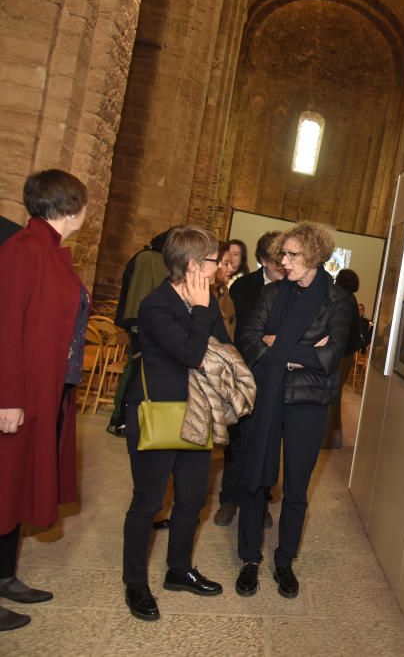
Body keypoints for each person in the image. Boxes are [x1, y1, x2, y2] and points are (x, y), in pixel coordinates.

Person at [235, 223, 353, 599]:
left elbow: (331, 356)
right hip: (266, 398)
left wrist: (280, 345)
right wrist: (301, 351)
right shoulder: (271, 294)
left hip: (308, 402)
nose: (283, 261)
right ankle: (249, 559)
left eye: (292, 255)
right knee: (255, 480)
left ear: (315, 256)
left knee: (297, 488)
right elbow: (250, 341)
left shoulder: (337, 301)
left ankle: (284, 561)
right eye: (281, 254)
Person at [121, 226, 230, 621]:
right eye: (214, 260)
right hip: (158, 414)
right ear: (193, 265)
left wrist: (205, 316)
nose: (220, 267)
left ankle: (178, 569)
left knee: (192, 498)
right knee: (148, 503)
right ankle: (135, 583)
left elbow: (221, 349)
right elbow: (190, 354)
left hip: (197, 413)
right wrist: (201, 312)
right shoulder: (156, 305)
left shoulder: (209, 303)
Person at [0, 170, 90, 631]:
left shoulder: (52, 252)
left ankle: (5, 574)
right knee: (2, 488)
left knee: (14, 488)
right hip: (21, 397)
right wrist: (8, 398)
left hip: (49, 390)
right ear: (71, 206)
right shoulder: (23, 251)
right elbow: (5, 329)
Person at [214, 231, 284, 528]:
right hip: (242, 372)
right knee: (238, 439)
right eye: (278, 257)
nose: (284, 262)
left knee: (267, 441)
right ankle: (229, 498)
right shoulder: (244, 287)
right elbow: (236, 332)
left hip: (276, 377)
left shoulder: (293, 289)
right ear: (263, 260)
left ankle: (259, 501)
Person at [107, 227, 177, 437]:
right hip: (143, 324)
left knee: (135, 369)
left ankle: (124, 418)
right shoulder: (154, 260)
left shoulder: (144, 256)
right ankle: (119, 419)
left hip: (137, 321)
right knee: (135, 369)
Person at [327, 268, 364, 448]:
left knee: (331, 396)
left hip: (341, 353)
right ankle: (333, 439)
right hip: (347, 353)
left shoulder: (344, 300)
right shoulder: (351, 299)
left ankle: (327, 439)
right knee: (335, 395)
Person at [213, 241, 238, 340]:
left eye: (231, 264)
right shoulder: (199, 296)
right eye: (226, 263)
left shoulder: (224, 293)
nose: (231, 269)